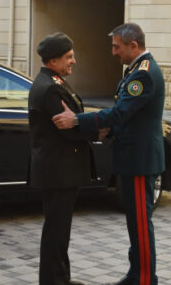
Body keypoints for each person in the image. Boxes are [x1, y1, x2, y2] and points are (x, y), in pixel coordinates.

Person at [52, 23, 165, 285]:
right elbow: (128, 115)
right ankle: (136, 274)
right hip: (133, 157)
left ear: (133, 45)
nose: (114, 52)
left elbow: (120, 112)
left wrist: (78, 120)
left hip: (139, 160)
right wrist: (108, 130)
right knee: (135, 224)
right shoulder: (136, 70)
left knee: (140, 224)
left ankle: (145, 279)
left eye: (117, 47)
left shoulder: (143, 74)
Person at [28, 33, 104, 285]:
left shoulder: (53, 81)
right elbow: (70, 128)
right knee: (56, 231)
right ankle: (53, 281)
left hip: (59, 169)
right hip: (58, 170)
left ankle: (59, 277)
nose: (74, 61)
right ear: (53, 60)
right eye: (68, 57)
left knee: (59, 230)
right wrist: (101, 128)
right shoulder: (50, 88)